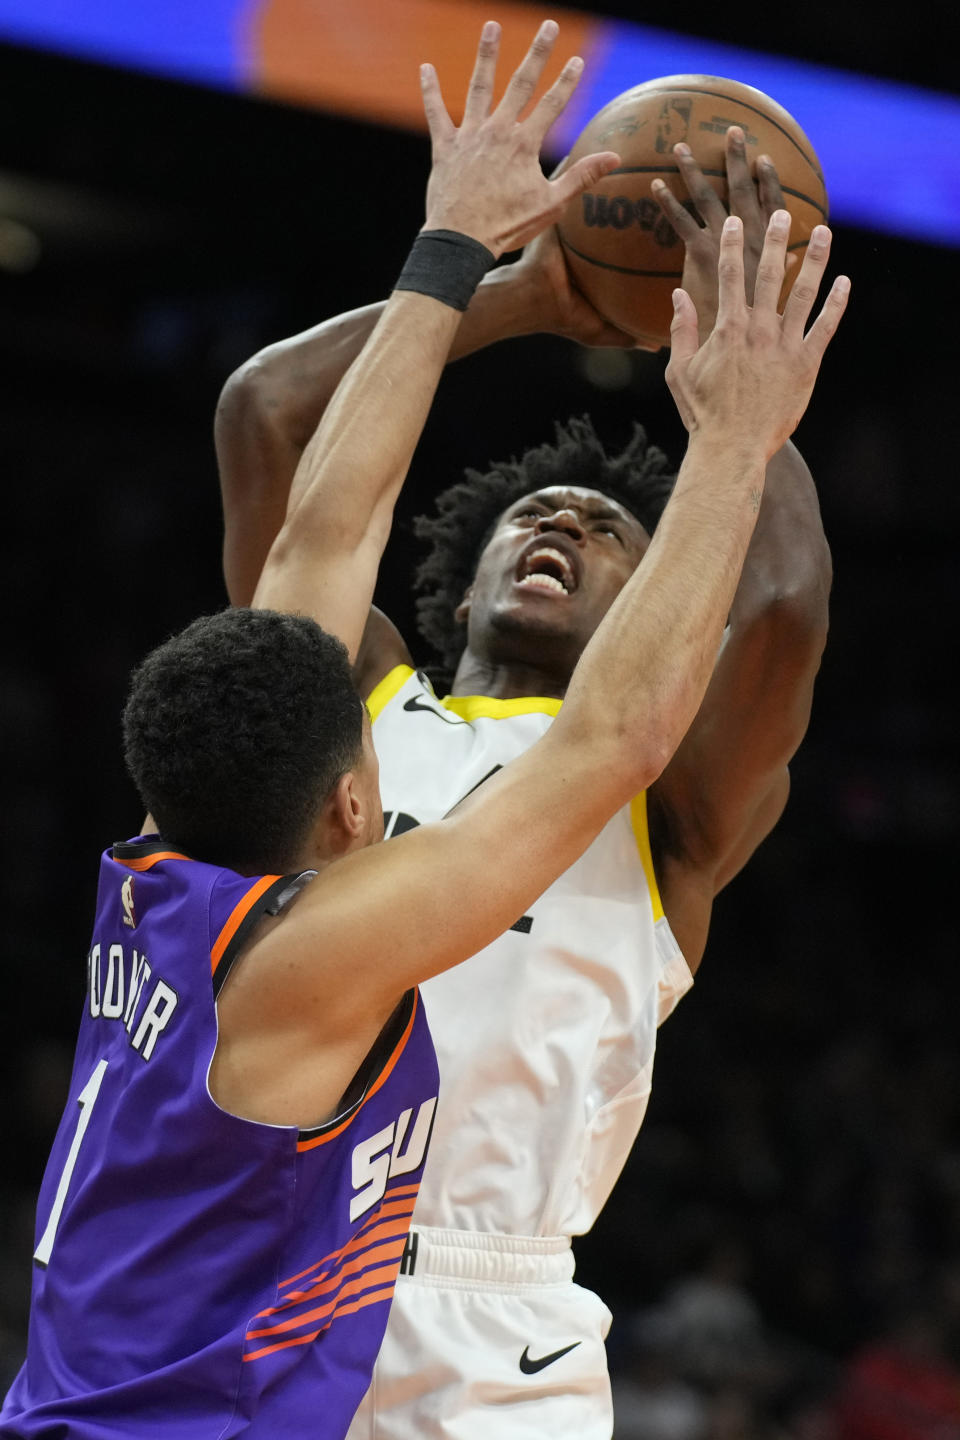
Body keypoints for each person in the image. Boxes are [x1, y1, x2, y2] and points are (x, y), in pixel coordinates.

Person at [214, 81, 841, 1436]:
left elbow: (782, 610)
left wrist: (745, 401)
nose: (562, 519)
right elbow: (267, 416)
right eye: (534, 514)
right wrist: (531, 291)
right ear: (462, 571)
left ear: (653, 613)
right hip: (265, 1270)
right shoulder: (358, 703)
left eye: (611, 532)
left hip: (499, 1329)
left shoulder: (664, 792)